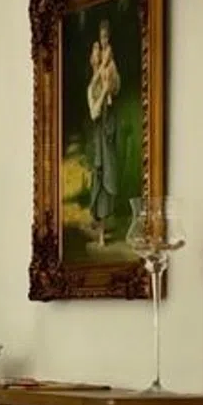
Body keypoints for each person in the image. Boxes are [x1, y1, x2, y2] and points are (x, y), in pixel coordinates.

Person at [84, 21, 123, 245]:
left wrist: (108, 85)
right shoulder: (93, 84)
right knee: (98, 176)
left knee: (108, 174)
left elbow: (113, 89)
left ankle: (103, 229)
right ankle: (99, 229)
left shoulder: (111, 68)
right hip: (98, 133)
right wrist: (102, 80)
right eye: (99, 43)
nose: (102, 47)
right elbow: (94, 110)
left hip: (108, 130)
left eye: (105, 40)